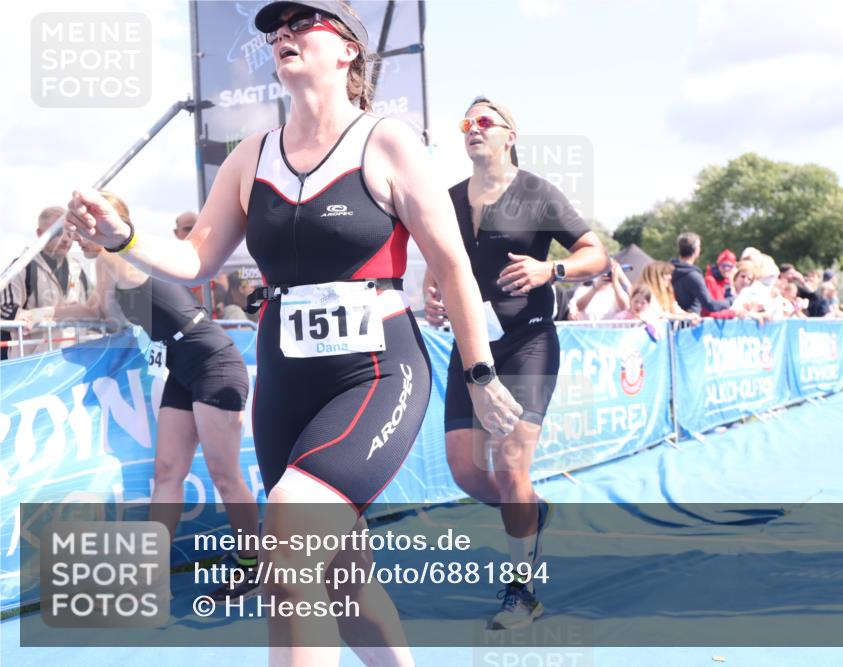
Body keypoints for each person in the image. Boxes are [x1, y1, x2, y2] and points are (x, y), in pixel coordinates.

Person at [66, 3, 522, 665]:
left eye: (301, 24)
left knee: (287, 538)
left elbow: (452, 264)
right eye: (275, 30)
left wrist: (479, 373)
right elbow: (197, 259)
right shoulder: (251, 156)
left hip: (374, 374)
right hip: (285, 383)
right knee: (342, 582)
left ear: (347, 53)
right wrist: (124, 238)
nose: (283, 35)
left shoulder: (388, 141)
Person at [423, 96, 608, 630]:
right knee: (466, 473)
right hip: (472, 348)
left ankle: (522, 592)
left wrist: (552, 271)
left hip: (527, 343)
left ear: (510, 134)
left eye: (485, 122)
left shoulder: (538, 192)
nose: (473, 129)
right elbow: (439, 263)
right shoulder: (448, 198)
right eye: (467, 123)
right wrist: (431, 291)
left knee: (510, 466)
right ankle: (531, 508)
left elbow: (596, 254)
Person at [58, 192, 260, 600]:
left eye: (80, 228)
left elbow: (101, 312)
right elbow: (105, 312)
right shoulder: (113, 260)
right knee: (167, 473)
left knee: (225, 475)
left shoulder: (115, 257)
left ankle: (251, 565)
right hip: (182, 370)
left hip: (213, 363)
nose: (76, 238)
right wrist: (41, 316)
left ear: (104, 222)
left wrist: (41, 316)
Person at [1, 206, 91, 358]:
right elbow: (4, 308)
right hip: (32, 367)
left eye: (69, 232)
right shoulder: (21, 266)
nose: (65, 238)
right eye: (57, 232)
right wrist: (27, 316)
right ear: (40, 234)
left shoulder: (78, 269)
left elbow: (89, 311)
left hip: (72, 365)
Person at [671, 232, 732, 315]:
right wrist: (730, 301)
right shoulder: (693, 276)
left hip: (674, 321)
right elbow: (710, 304)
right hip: (691, 322)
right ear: (696, 250)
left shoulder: (669, 270)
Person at [565, 258, 630, 320]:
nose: (606, 274)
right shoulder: (582, 290)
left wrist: (615, 280)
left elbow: (625, 307)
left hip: (610, 331)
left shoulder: (618, 293)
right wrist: (596, 288)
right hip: (587, 330)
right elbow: (579, 307)